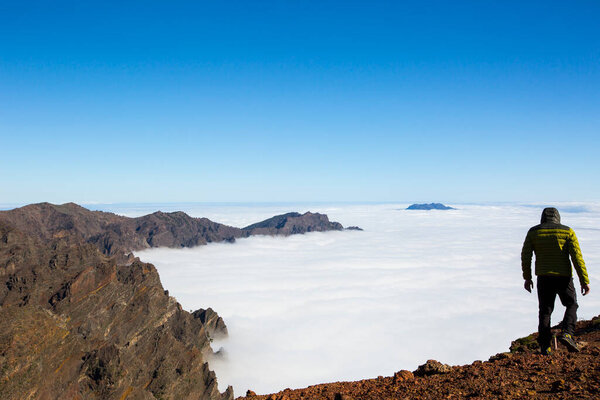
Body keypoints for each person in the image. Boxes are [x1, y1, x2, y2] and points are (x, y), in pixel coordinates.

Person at [521, 207, 590, 355]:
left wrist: (527, 278)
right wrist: (584, 280)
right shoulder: (567, 232)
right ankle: (568, 334)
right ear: (558, 218)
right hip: (563, 277)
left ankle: (545, 346)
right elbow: (577, 258)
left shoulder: (533, 232)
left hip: (543, 277)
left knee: (545, 311)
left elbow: (525, 256)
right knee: (571, 304)